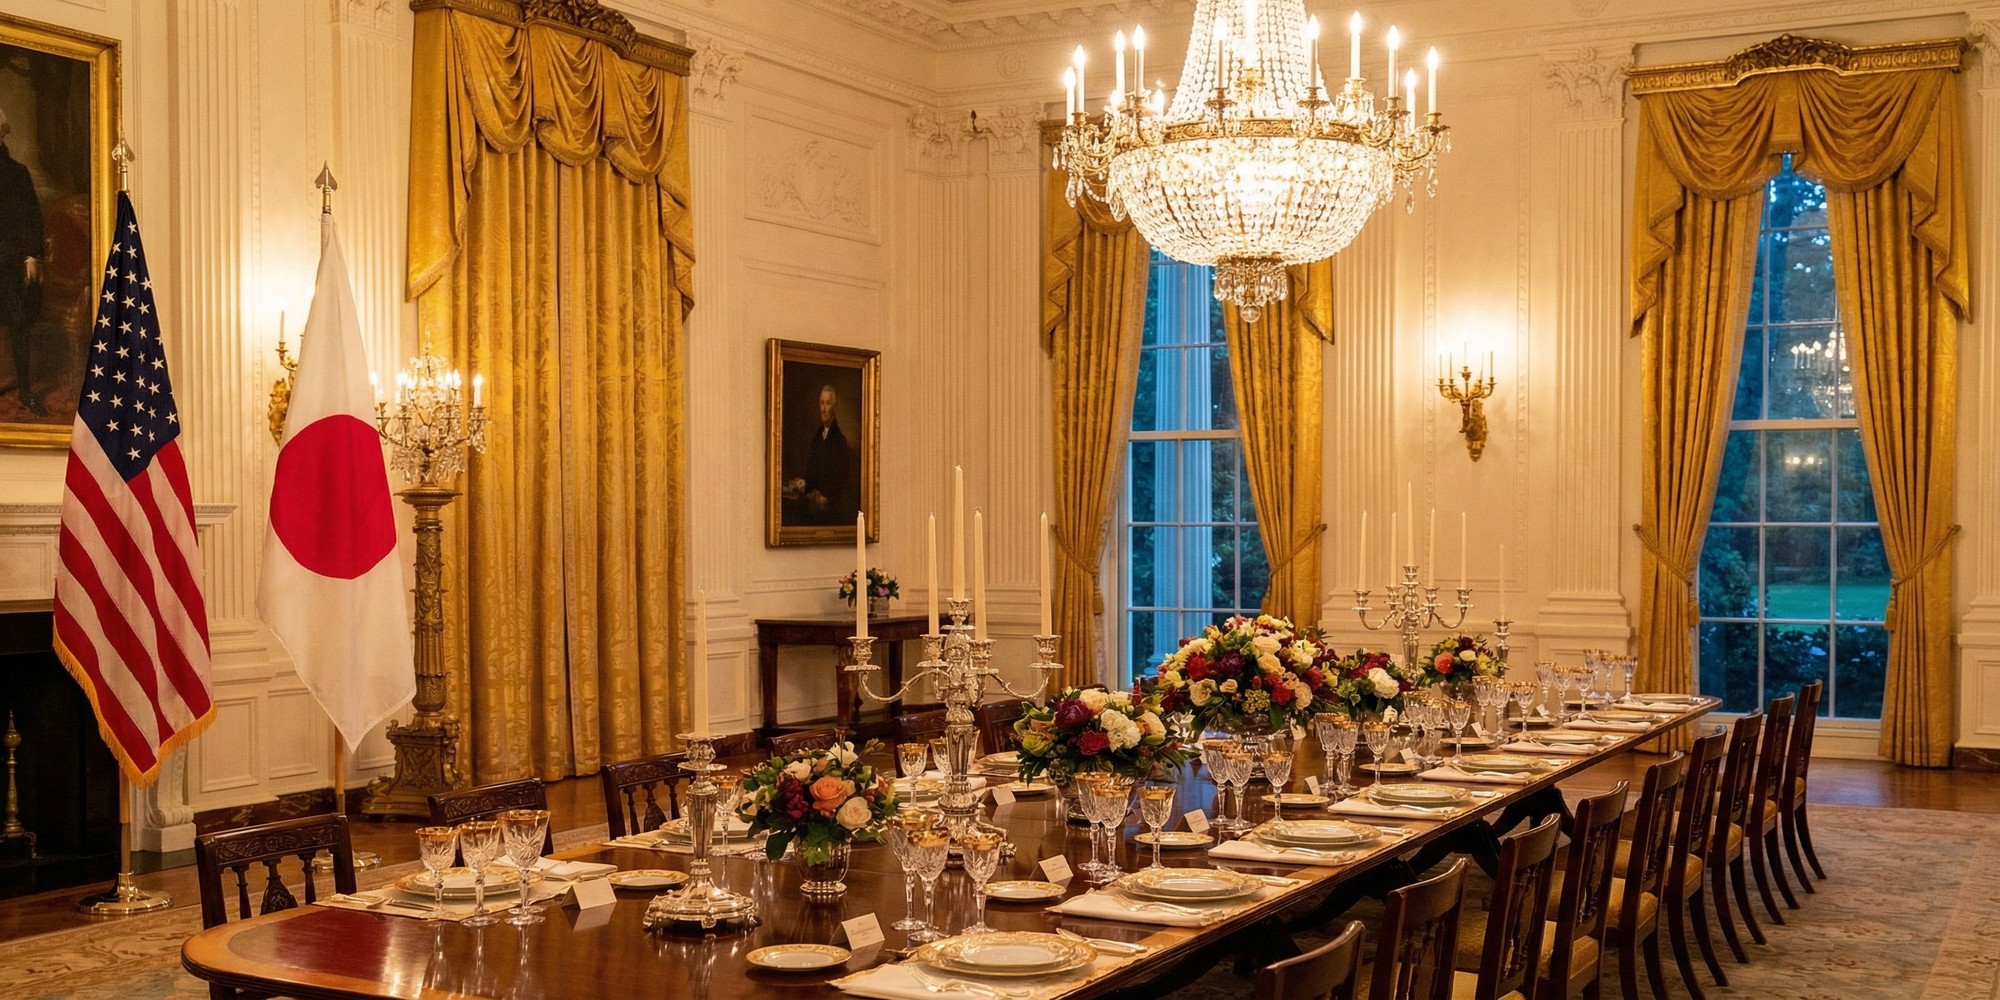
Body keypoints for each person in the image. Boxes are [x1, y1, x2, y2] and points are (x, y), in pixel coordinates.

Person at [0, 106, 44, 416]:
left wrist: (31, 255)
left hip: (12, 263)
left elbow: (31, 218)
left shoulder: (17, 172)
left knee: (19, 328)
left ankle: (26, 391)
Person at [797, 383, 856, 525]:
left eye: (828, 404)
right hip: (815, 502)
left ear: (834, 408)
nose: (824, 409)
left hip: (831, 508)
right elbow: (812, 470)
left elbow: (842, 479)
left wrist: (827, 498)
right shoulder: (817, 436)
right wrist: (804, 482)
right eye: (822, 403)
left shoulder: (839, 440)